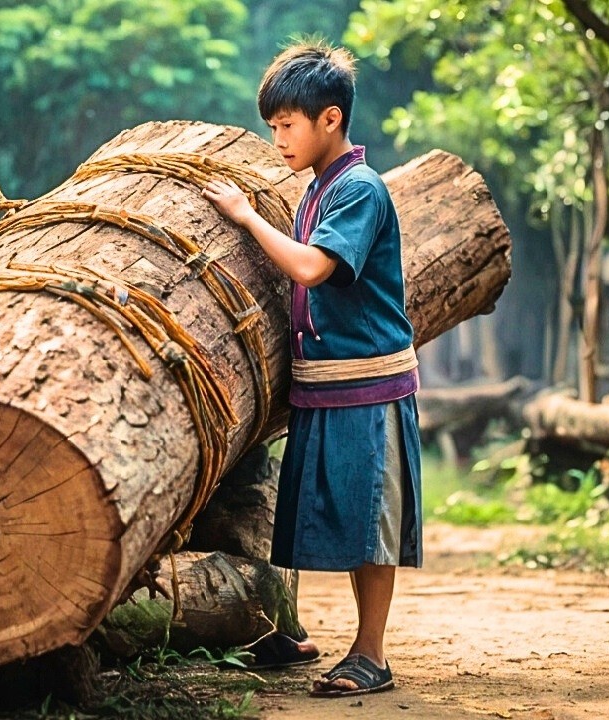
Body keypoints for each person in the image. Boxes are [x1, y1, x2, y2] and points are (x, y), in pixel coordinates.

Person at [203, 40, 422, 698]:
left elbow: (310, 268)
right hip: (326, 386)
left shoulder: (358, 189)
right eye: (271, 126)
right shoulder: (318, 189)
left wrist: (243, 216)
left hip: (369, 386)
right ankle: (295, 633)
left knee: (369, 523)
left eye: (286, 125)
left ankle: (372, 655)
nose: (277, 140)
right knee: (328, 515)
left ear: (330, 119)